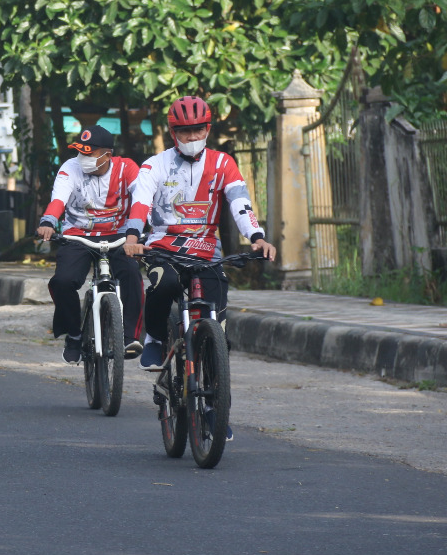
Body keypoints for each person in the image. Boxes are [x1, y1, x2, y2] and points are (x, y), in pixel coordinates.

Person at [123, 96, 276, 370]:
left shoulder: (223, 163)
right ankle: (154, 340)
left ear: (208, 129)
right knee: (165, 284)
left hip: (207, 252)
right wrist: (133, 238)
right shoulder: (153, 166)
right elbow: (141, 203)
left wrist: (257, 237)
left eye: (198, 129)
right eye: (184, 130)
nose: (192, 136)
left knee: (216, 318)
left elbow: (240, 203)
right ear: (173, 133)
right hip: (163, 249)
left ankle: (214, 390)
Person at [36, 126, 144, 365]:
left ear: (107, 155)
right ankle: (74, 335)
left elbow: (141, 200)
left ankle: (130, 336)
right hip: (78, 236)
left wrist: (135, 234)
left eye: (90, 154)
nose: (82, 159)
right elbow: (58, 199)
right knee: (62, 281)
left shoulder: (128, 168)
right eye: (80, 153)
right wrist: (48, 221)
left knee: (131, 273)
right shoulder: (70, 168)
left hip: (119, 235)